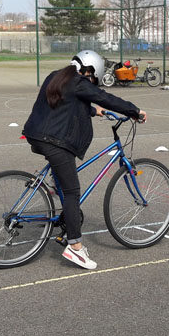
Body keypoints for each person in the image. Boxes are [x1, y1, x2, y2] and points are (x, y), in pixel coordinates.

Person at [22, 50, 146, 270]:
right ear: (88, 70)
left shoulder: (56, 76)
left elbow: (66, 102)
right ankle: (75, 248)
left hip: (36, 134)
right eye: (93, 77)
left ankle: (58, 195)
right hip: (55, 140)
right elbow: (106, 97)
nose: (92, 80)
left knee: (63, 178)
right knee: (72, 192)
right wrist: (134, 110)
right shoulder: (78, 81)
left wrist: (92, 110)